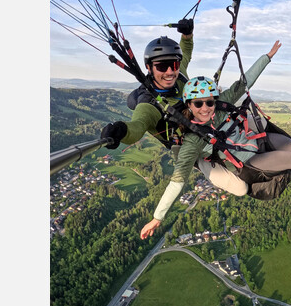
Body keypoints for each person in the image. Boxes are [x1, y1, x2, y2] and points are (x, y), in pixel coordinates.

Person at [139, 40, 291, 240]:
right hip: (249, 164)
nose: (205, 108)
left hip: (256, 140)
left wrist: (267, 57)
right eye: (198, 104)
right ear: (189, 105)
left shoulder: (221, 105)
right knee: (290, 157)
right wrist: (157, 217)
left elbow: (244, 83)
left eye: (209, 101)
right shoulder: (193, 139)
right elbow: (177, 181)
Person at [99, 21, 247, 195]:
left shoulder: (180, 74)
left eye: (174, 65)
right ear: (148, 67)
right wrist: (121, 131)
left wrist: (187, 34)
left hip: (210, 125)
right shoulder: (148, 104)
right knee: (240, 188)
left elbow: (186, 50)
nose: (170, 72)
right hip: (192, 149)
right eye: (162, 66)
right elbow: (138, 126)